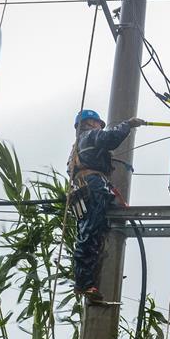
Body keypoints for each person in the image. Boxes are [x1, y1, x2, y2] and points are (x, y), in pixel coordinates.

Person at [68, 109, 144, 301]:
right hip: (92, 185)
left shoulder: (77, 146)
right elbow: (111, 138)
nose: (99, 127)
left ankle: (88, 279)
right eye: (98, 124)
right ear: (91, 123)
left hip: (86, 187)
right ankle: (84, 283)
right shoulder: (90, 136)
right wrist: (128, 124)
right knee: (90, 232)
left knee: (93, 231)